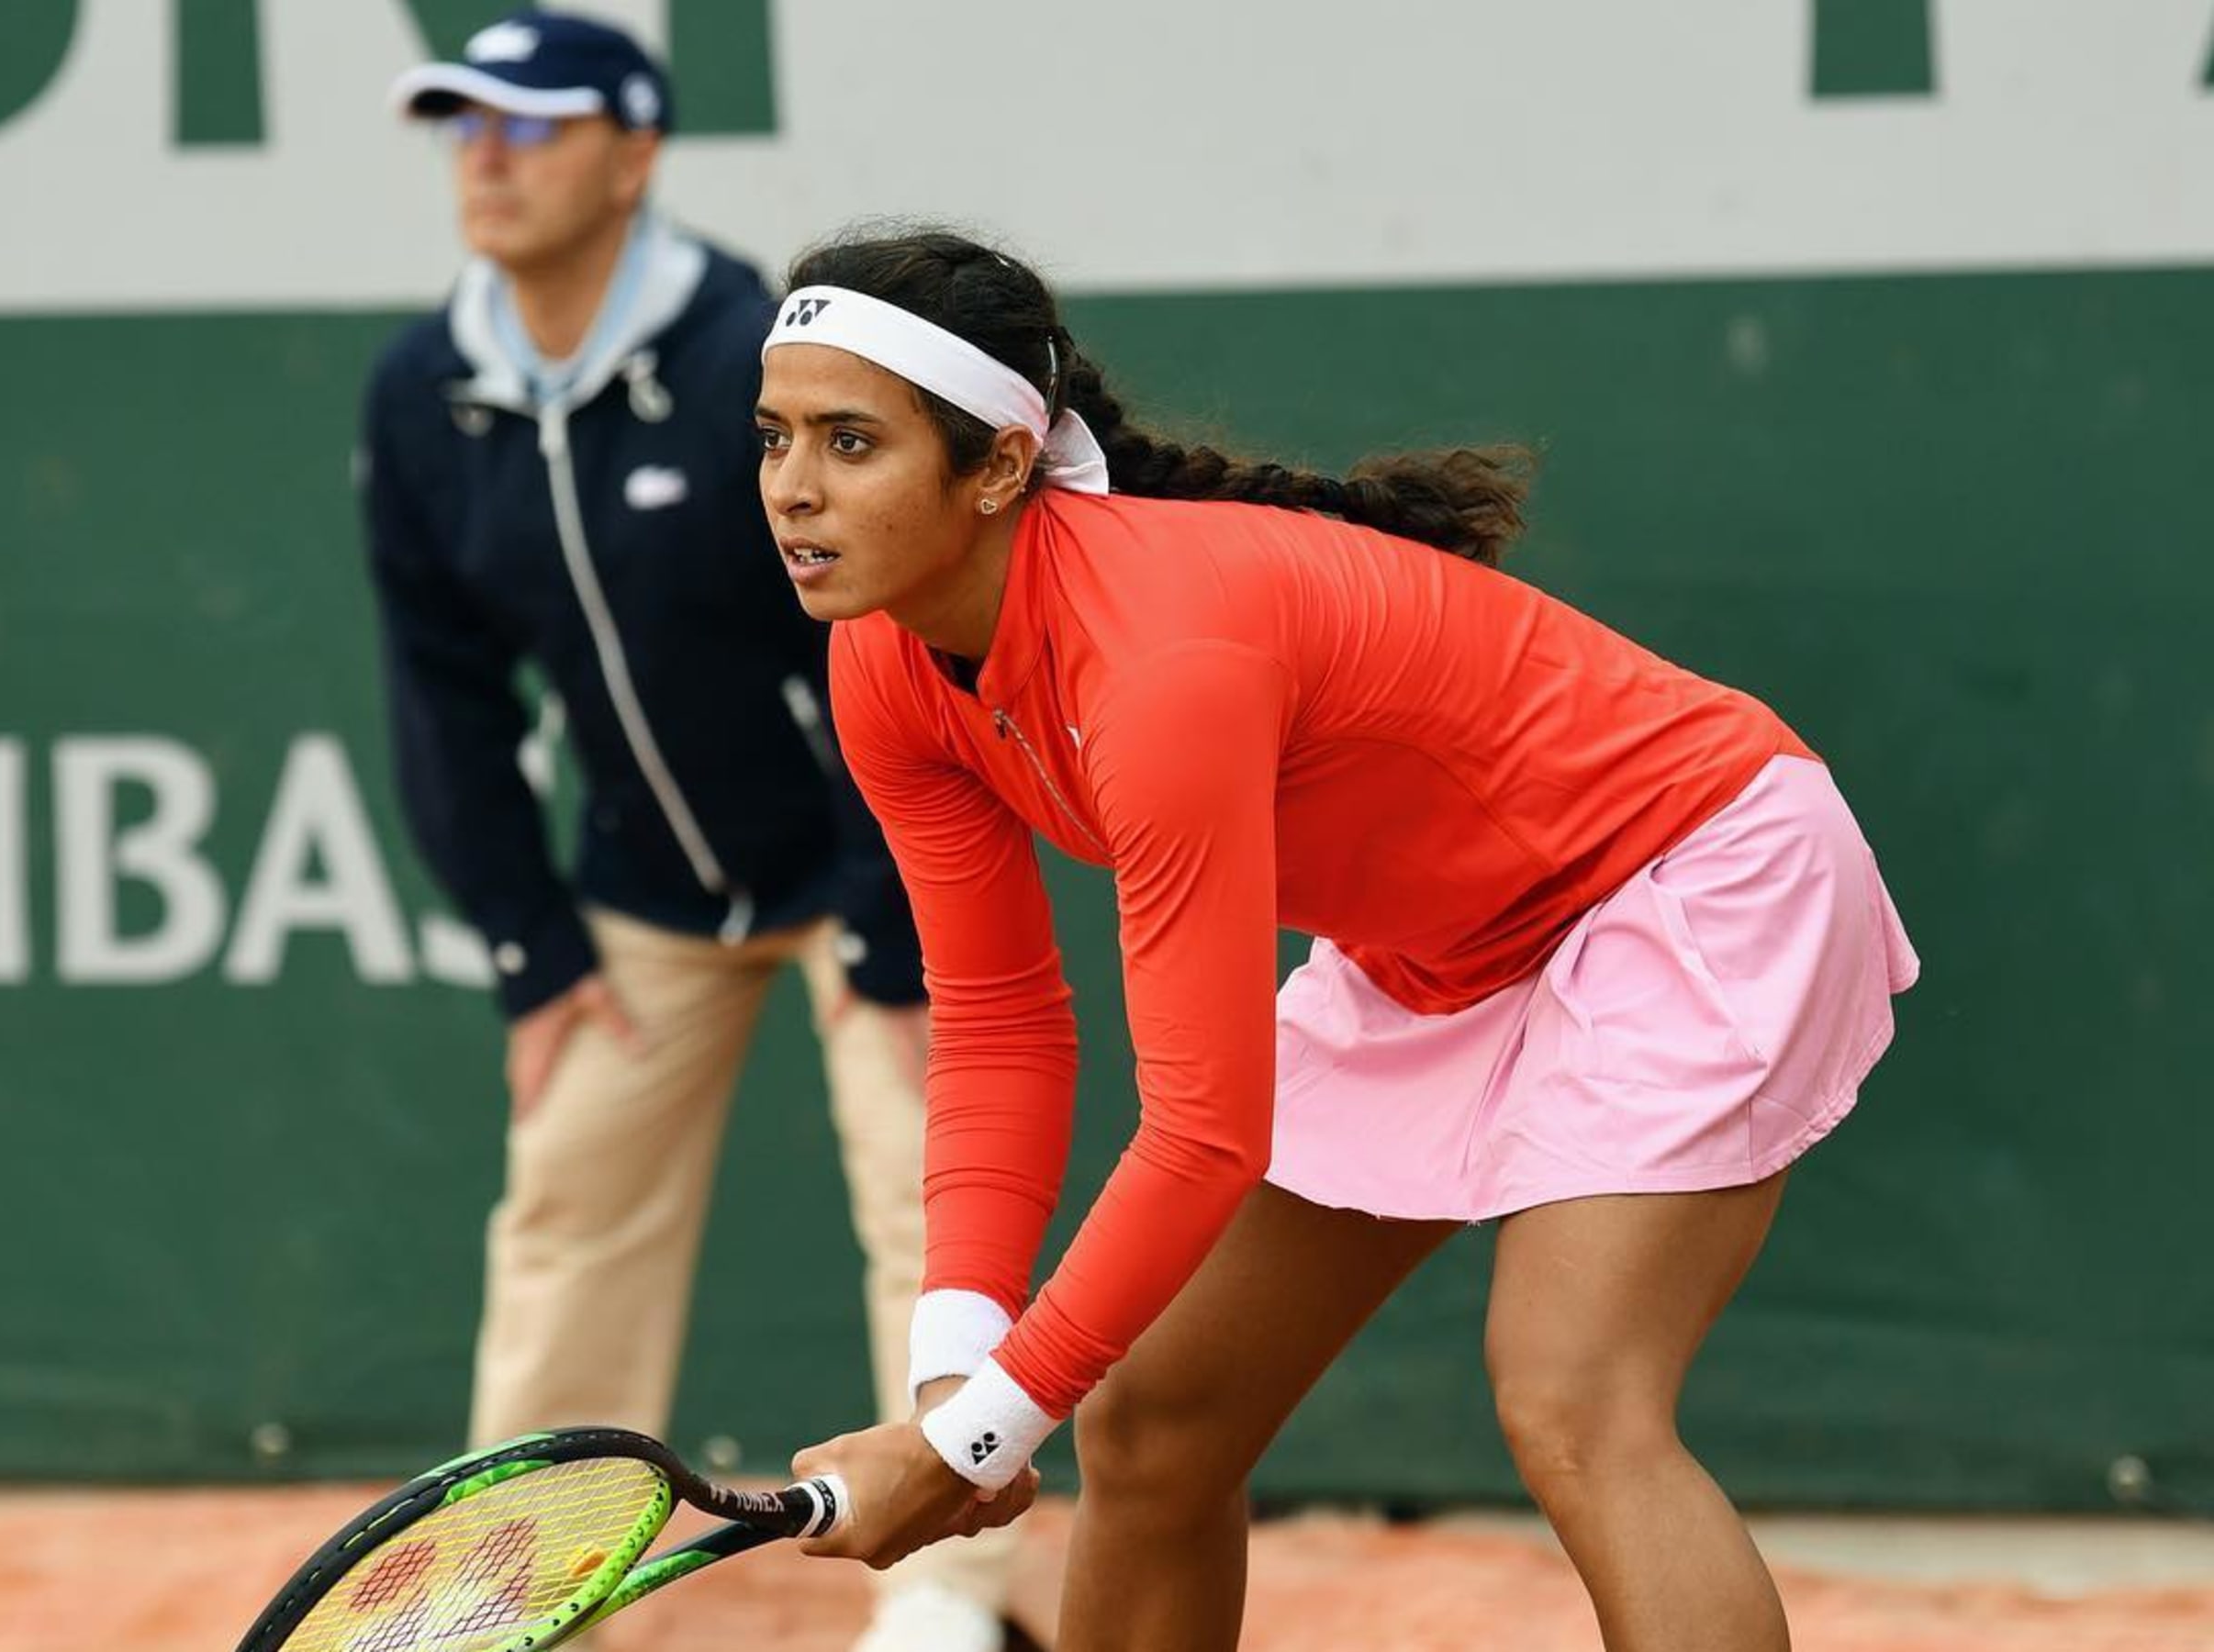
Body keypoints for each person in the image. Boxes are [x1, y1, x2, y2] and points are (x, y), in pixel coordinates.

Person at [758, 227, 1919, 1652]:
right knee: (1157, 1421)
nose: (794, 488)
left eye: (850, 442)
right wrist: (957, 1378)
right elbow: (1000, 1025)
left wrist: (976, 1442)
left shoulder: (1162, 657)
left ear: (998, 466)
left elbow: (1202, 1131)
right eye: (775, 438)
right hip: (1439, 951)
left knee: (1575, 1400)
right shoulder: (884, 661)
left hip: (1684, 867)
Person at [357, 22, 1018, 1650]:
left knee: (935, 1209)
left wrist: (891, 917)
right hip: (642, 891)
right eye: (463, 126)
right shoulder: (425, 392)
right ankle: (523, 1602)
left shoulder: (750, 361)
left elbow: (894, 634)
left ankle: (950, 1600)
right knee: (565, 1219)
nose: (487, 157)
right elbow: (441, 692)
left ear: (636, 154)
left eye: (533, 126)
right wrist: (531, 947)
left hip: (871, 862)